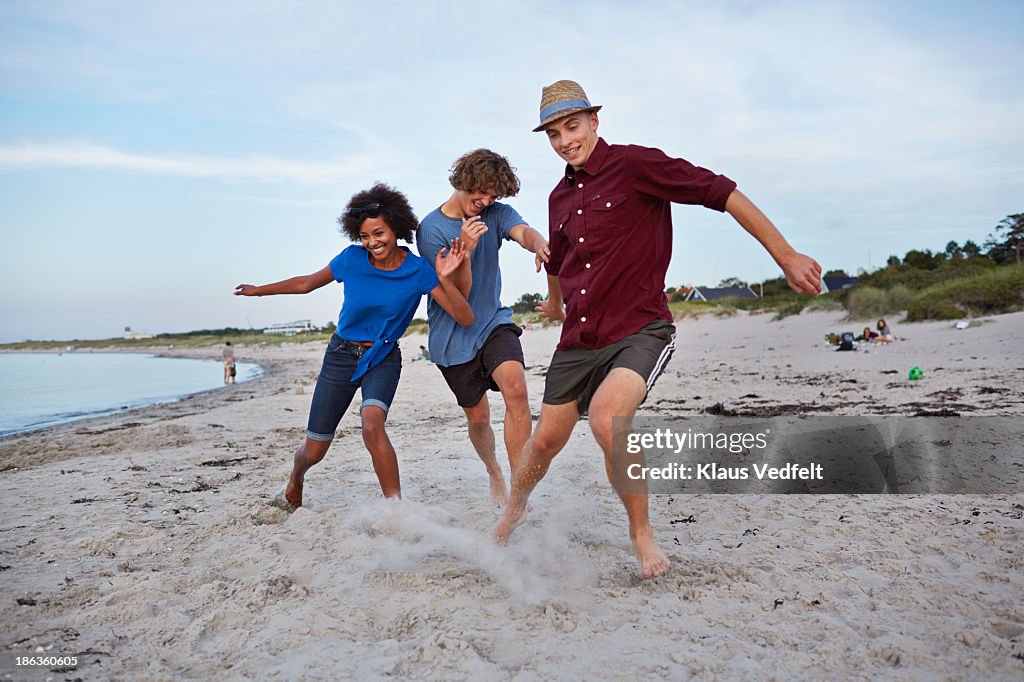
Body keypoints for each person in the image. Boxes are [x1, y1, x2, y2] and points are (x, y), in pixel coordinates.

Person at [493, 80, 822, 578]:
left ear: (594, 122)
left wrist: (786, 255)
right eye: (554, 134)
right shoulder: (558, 197)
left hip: (639, 328)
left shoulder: (636, 165)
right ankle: (515, 507)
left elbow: (722, 193)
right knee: (543, 443)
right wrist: (556, 305)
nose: (565, 140)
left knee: (607, 420)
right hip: (578, 338)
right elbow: (558, 260)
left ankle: (641, 533)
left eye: (573, 126)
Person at [235, 183, 474, 508]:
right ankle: (296, 477)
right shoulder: (351, 260)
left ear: (396, 228)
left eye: (379, 233)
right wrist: (259, 291)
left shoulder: (418, 270)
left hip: (383, 355)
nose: (373, 242)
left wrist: (445, 276)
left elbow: (465, 317)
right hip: (341, 356)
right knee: (315, 450)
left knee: (372, 424)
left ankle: (395, 510)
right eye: (365, 236)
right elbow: (306, 284)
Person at [416, 149, 550, 505]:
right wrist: (467, 250)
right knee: (478, 419)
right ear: (464, 181)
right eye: (482, 192)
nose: (486, 201)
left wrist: (539, 244)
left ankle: (519, 489)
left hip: (493, 322)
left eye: (493, 196)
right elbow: (459, 298)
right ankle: (494, 470)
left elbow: (522, 231)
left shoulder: (494, 214)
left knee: (517, 389)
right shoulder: (430, 230)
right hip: (453, 337)